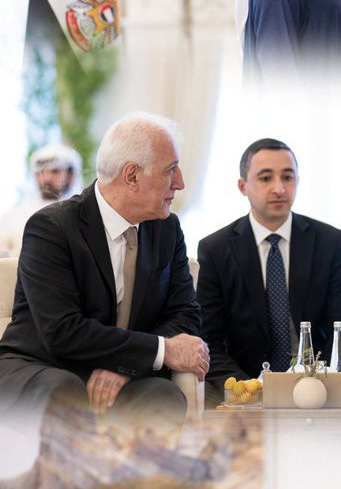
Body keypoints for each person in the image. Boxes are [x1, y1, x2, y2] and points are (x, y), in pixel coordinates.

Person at [0, 112, 209, 412]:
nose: (180, 183)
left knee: (164, 397)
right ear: (132, 176)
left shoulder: (167, 228)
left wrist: (127, 364)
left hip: (119, 372)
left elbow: (186, 313)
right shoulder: (51, 227)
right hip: (43, 367)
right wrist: (160, 350)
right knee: (65, 391)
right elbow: (63, 331)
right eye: (171, 170)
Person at [197, 138, 341, 400]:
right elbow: (208, 340)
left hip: (318, 389)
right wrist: (251, 389)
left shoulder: (330, 243)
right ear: (242, 186)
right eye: (265, 178)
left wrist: (319, 383)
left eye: (287, 177)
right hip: (245, 391)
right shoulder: (216, 249)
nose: (279, 188)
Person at [0, 143, 83, 257]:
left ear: (71, 175)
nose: (46, 178)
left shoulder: (83, 214)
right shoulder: (14, 216)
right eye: (41, 172)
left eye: (55, 171)